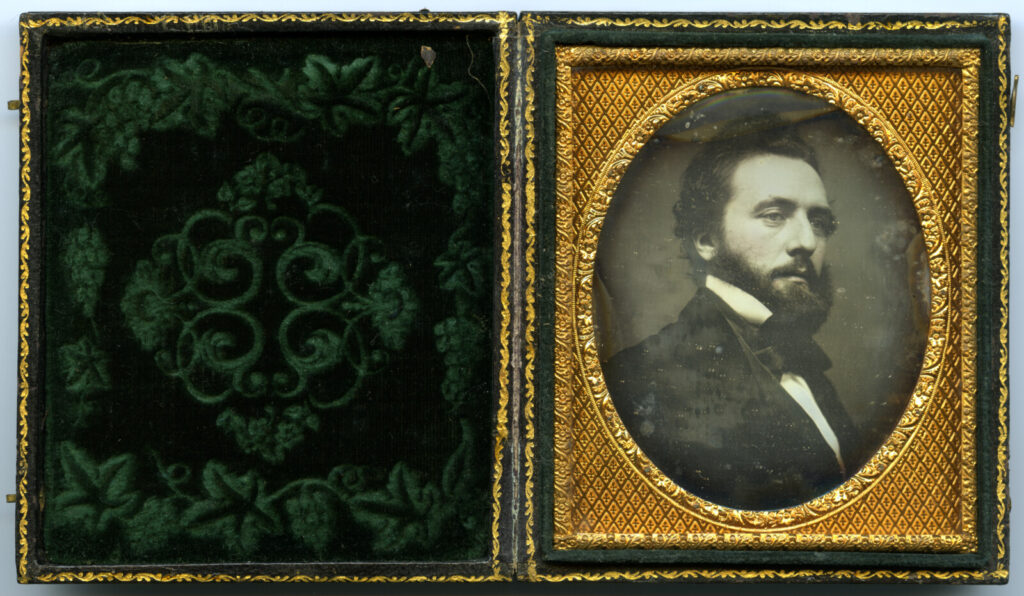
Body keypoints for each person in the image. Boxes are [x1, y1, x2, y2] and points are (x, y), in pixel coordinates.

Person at [602, 121, 864, 511]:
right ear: (707, 240)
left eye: (818, 222)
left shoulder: (807, 370)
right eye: (774, 215)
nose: (807, 242)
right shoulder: (638, 379)